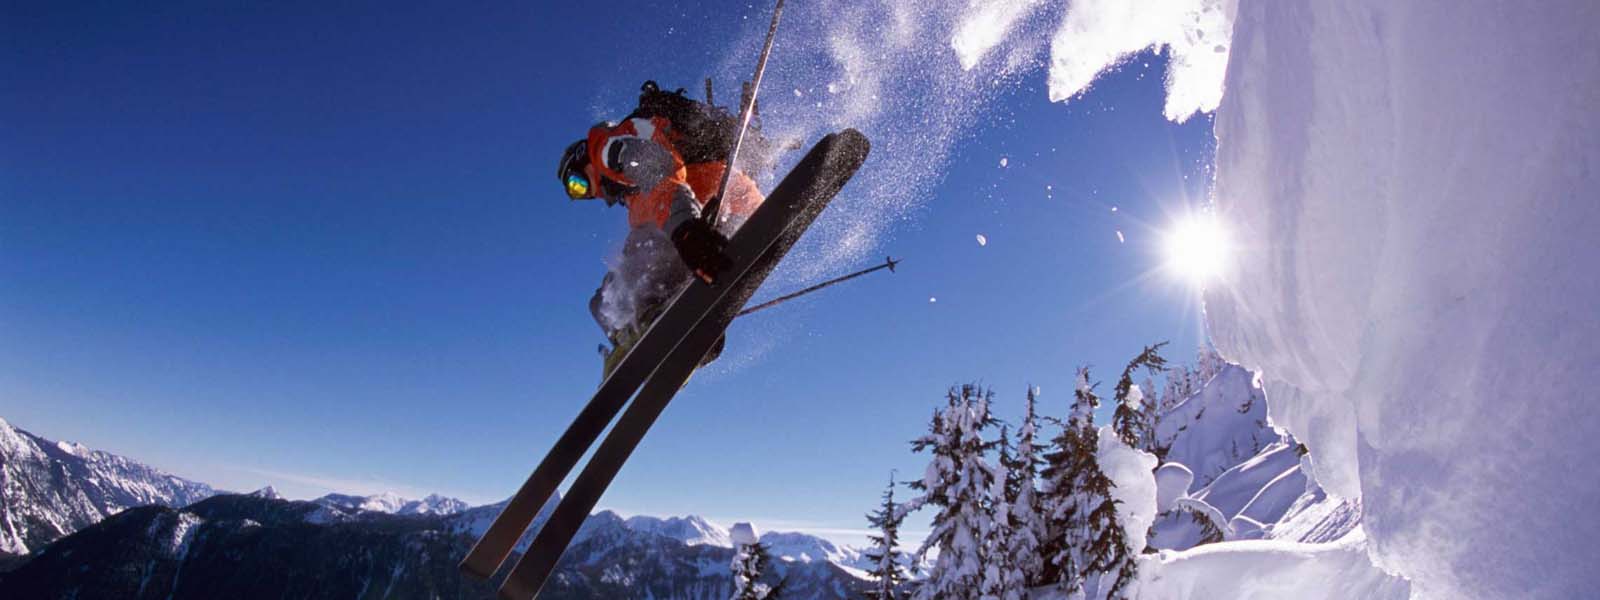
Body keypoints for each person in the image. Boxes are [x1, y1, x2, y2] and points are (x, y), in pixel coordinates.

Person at [557, 83, 768, 378]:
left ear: (584, 159)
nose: (589, 194)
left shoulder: (605, 148)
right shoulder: (631, 195)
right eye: (577, 194)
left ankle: (649, 322)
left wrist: (685, 229)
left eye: (578, 184)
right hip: (732, 212)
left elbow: (656, 165)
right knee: (605, 296)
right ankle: (666, 332)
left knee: (611, 295)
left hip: (706, 208)